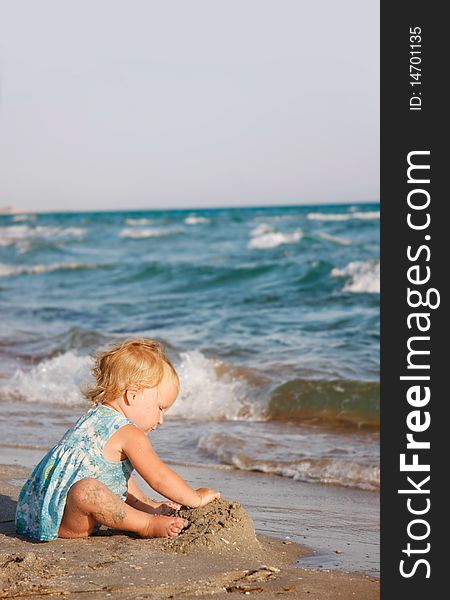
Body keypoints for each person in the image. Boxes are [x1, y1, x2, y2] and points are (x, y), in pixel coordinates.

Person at [15, 339, 220, 541]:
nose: (161, 420)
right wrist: (195, 498)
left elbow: (107, 473)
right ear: (132, 396)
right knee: (87, 490)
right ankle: (145, 524)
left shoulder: (94, 417)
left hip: (32, 514)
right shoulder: (130, 433)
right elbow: (159, 477)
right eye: (160, 408)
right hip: (66, 522)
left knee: (113, 470)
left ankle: (144, 506)